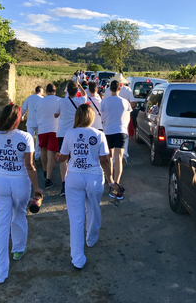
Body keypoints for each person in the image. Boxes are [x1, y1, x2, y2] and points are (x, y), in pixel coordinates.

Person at [0, 103, 43, 284]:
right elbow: (30, 165)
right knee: (19, 216)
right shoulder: (25, 137)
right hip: (20, 183)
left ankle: (0, 272)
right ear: (19, 119)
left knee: (1, 226)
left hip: (0, 183)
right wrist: (37, 187)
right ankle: (18, 249)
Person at [55, 104, 117, 269]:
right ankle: (91, 238)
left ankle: (77, 258)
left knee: (76, 218)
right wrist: (111, 180)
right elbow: (105, 160)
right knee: (93, 208)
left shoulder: (69, 133)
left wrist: (58, 156)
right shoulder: (99, 134)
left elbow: (63, 158)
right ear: (91, 117)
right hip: (94, 177)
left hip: (74, 177)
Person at [54, 80, 87, 196]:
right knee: (74, 158)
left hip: (62, 132)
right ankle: (75, 183)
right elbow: (85, 96)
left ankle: (64, 183)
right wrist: (80, 87)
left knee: (63, 159)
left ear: (67, 90)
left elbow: (55, 115)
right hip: (75, 132)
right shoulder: (79, 101)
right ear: (76, 90)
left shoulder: (61, 101)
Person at [101, 79, 132, 199]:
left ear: (110, 89)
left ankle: (111, 181)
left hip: (108, 131)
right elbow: (128, 118)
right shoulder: (125, 102)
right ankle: (117, 183)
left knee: (109, 158)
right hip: (121, 132)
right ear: (120, 88)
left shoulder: (105, 101)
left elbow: (102, 116)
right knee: (119, 158)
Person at [103, 74, 136, 163]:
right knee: (125, 134)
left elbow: (104, 104)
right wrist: (128, 111)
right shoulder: (128, 90)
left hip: (110, 116)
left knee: (110, 139)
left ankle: (112, 159)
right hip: (124, 114)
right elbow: (133, 104)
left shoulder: (107, 90)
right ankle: (123, 155)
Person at [35, 83, 60, 189]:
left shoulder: (40, 101)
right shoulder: (59, 100)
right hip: (54, 129)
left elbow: (37, 114)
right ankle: (48, 179)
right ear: (55, 91)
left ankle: (45, 171)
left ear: (46, 91)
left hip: (42, 129)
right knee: (51, 154)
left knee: (43, 151)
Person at [21, 86, 44, 160]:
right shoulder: (43, 99)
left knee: (29, 138)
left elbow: (23, 108)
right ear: (40, 91)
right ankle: (37, 155)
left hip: (30, 121)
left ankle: (28, 154)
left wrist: (21, 116)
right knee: (38, 138)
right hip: (40, 122)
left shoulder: (29, 98)